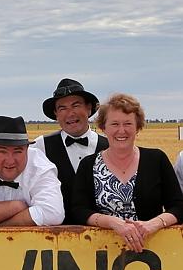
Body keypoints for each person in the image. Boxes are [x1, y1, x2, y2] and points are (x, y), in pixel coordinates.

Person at [71, 93, 183, 252]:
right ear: (103, 128)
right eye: (115, 124)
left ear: (138, 127)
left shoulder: (157, 159)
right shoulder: (88, 165)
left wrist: (153, 224)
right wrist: (113, 223)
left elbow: (178, 207)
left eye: (128, 123)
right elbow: (78, 210)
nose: (121, 130)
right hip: (101, 255)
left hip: (154, 253)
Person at [35, 78, 109, 224]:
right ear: (56, 114)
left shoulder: (109, 146)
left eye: (76, 105)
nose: (70, 114)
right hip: (54, 238)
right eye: (62, 108)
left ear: (89, 109)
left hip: (104, 238)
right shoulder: (39, 146)